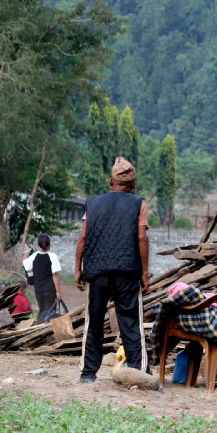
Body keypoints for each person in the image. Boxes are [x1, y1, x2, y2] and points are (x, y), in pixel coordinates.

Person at [74, 157, 150, 384]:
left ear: (111, 181)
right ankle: (140, 374)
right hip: (127, 271)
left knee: (94, 321)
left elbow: (83, 237)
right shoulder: (139, 203)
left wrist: (78, 268)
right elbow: (141, 238)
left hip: (97, 270)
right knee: (130, 322)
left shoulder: (93, 203)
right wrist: (144, 273)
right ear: (133, 185)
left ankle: (88, 374)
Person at [23, 234, 62, 323]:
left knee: (42, 311)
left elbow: (24, 264)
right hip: (50, 289)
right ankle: (47, 332)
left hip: (38, 289)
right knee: (50, 313)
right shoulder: (52, 256)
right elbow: (55, 275)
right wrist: (58, 291)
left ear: (38, 245)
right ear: (49, 244)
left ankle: (39, 329)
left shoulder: (34, 256)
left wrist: (27, 252)